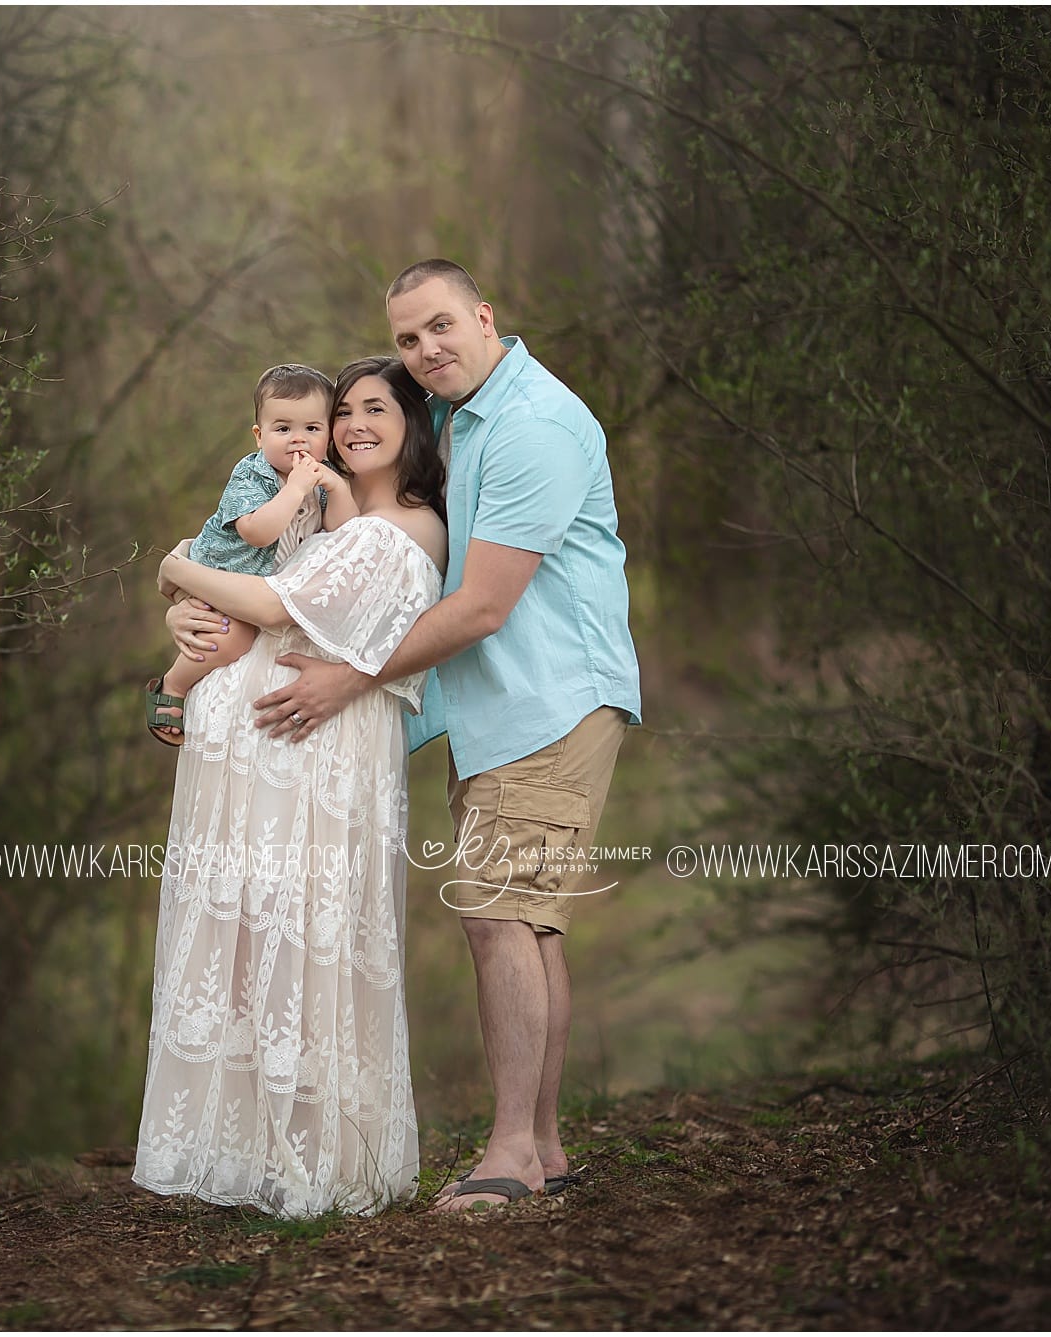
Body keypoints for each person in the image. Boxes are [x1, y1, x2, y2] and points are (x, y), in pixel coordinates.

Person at [243, 260, 642, 1213]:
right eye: (410, 337)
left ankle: (506, 1158)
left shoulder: (535, 425)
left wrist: (352, 674)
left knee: (498, 915)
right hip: (504, 709)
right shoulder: (468, 419)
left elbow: (483, 605)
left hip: (550, 697)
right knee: (529, 921)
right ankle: (540, 1147)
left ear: (484, 316)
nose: (426, 350)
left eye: (439, 328)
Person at [134, 356, 447, 1217]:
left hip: (314, 758)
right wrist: (186, 605)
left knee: (308, 939)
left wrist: (173, 567)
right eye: (342, 412)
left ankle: (318, 1157)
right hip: (253, 749)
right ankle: (239, 1152)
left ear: (415, 424)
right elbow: (252, 580)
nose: (349, 427)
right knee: (247, 944)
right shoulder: (324, 506)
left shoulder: (404, 528)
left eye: (374, 410)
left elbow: (272, 605)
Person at [145, 363, 357, 745]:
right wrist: (294, 490)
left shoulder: (323, 477)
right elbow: (257, 533)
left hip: (262, 586)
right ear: (259, 436)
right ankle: (173, 683)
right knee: (231, 638)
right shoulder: (251, 475)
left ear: (328, 433)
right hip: (223, 573)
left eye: (312, 429)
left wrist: (338, 490)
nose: (298, 440)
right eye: (283, 429)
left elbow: (344, 533)